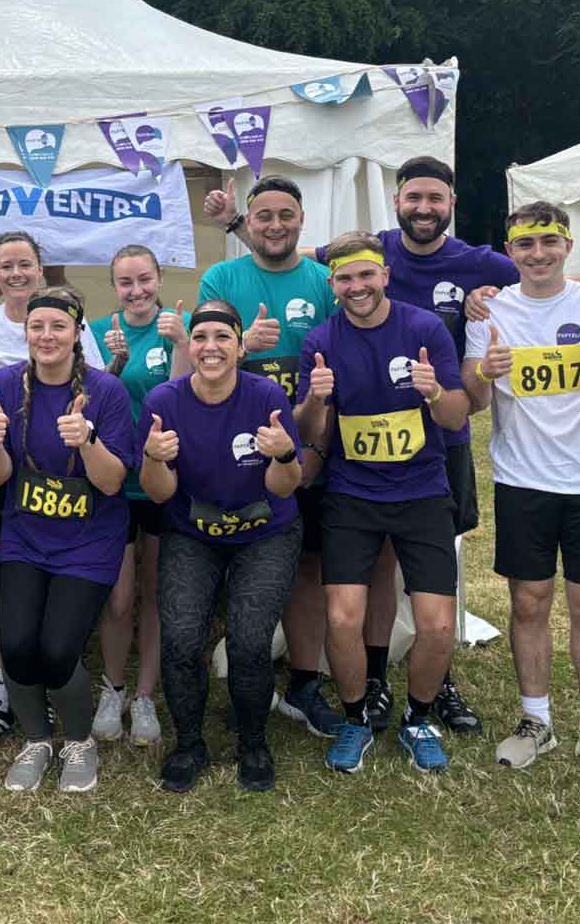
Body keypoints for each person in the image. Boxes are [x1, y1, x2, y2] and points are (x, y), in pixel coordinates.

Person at [208, 155, 513, 734]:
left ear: (451, 205)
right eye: (413, 198)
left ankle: (435, 687)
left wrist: (495, 306)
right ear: (397, 203)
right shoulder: (362, 260)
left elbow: (542, 273)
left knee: (424, 576)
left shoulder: (476, 262)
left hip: (432, 443)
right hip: (353, 461)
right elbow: (283, 242)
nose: (424, 208)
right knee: (369, 567)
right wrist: (233, 223)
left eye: (435, 199)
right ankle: (369, 682)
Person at [461, 202, 580, 789]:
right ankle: (536, 720)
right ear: (509, 251)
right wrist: (483, 372)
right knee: (529, 601)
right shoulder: (490, 310)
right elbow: (475, 402)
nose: (538, 254)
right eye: (525, 244)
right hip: (520, 480)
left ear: (567, 245)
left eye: (548, 242)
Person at [294, 232, 467, 774]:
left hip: (422, 493)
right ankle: (355, 718)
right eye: (345, 278)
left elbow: (459, 416)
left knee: (438, 624)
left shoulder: (423, 328)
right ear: (333, 285)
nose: (357, 286)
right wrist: (314, 401)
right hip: (353, 495)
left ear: (385, 275)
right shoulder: (321, 340)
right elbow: (306, 428)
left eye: (366, 275)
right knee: (343, 619)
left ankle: (417, 718)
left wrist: (435, 392)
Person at [198, 175, 343, 739]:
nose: (275, 224)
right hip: (236, 456)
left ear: (302, 220)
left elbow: (335, 375)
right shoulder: (222, 277)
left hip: (309, 450)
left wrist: (317, 451)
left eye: (286, 214)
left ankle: (305, 682)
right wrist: (243, 349)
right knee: (240, 572)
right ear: (246, 225)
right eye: (263, 216)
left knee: (308, 567)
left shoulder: (323, 282)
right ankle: (247, 680)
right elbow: (200, 364)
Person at [0, 232, 104, 754]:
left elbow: (98, 390)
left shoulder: (67, 317)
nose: (16, 273)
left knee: (56, 599)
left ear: (41, 269)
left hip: (64, 474)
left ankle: (57, 693)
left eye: (25, 264)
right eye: (6, 266)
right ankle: (0, 702)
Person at [140, 300, 303, 793]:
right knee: (182, 638)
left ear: (238, 344)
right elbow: (159, 493)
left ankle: (253, 742)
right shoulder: (163, 402)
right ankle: (188, 743)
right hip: (193, 534)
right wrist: (152, 457)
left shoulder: (265, 395)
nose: (210, 347)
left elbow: (285, 485)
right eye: (201, 337)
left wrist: (285, 452)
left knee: (251, 641)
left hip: (264, 532)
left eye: (222, 337)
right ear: (189, 345)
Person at [0, 286, 133, 793]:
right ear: (26, 333)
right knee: (18, 645)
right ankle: (38, 740)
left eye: (58, 327)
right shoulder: (1, 385)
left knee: (59, 648)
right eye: (37, 327)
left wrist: (85, 441)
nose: (47, 336)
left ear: (76, 334)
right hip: (25, 534)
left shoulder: (106, 391)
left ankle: (80, 742)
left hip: (90, 539)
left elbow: (111, 482)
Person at [88, 245, 191, 746]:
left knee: (154, 591)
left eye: (144, 279)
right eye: (125, 282)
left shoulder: (184, 325)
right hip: (113, 483)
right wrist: (112, 362)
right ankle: (114, 688)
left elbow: (182, 400)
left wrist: (182, 346)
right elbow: (84, 402)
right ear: (114, 287)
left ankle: (146, 695)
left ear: (160, 277)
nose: (137, 291)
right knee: (118, 596)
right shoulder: (95, 331)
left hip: (164, 481)